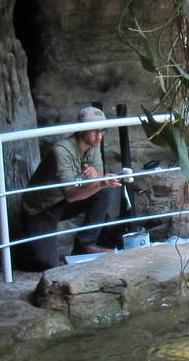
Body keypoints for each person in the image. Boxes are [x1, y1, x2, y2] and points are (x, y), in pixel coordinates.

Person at [19, 106, 123, 270]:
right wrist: (100, 181)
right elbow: (72, 195)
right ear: (81, 130)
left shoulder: (93, 145)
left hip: (63, 203)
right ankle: (20, 256)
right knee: (48, 264)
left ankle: (85, 244)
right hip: (41, 209)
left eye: (102, 131)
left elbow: (99, 177)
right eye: (94, 131)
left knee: (107, 188)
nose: (99, 136)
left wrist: (98, 177)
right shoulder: (62, 151)